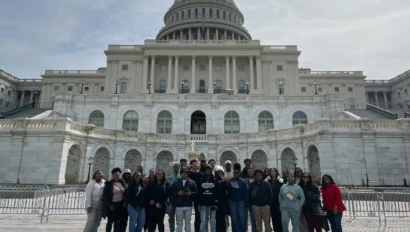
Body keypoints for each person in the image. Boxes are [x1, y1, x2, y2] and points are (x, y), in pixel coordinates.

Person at [103, 167, 127, 232]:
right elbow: (105, 196)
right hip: (112, 205)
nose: (116, 176)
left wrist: (125, 201)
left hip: (120, 205)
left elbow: (125, 193)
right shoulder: (108, 184)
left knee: (117, 222)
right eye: (115, 174)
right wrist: (109, 205)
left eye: (118, 174)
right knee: (110, 222)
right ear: (112, 175)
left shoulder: (122, 183)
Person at [173, 167, 197, 232]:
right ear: (181, 174)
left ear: (188, 174)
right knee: (179, 223)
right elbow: (172, 192)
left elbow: (196, 193)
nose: (184, 174)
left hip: (188, 205)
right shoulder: (176, 182)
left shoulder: (192, 182)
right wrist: (178, 193)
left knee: (188, 223)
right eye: (183, 172)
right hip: (179, 205)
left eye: (186, 172)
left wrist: (190, 193)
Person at [198, 165, 219, 232]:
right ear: (204, 171)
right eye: (206, 170)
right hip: (203, 204)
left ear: (211, 171)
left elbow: (217, 193)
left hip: (212, 204)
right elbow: (199, 193)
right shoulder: (201, 180)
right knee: (204, 221)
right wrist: (199, 204)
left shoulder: (215, 181)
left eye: (209, 169)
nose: (207, 171)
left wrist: (216, 203)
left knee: (213, 221)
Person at [228, 163, 248, 232]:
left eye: (237, 172)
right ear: (233, 173)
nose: (235, 173)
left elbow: (246, 193)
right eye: (234, 172)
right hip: (232, 201)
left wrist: (246, 204)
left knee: (242, 217)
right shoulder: (230, 181)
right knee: (234, 218)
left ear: (239, 173)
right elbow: (228, 191)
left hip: (241, 201)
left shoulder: (243, 182)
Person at [214, 165, 230, 232]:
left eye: (221, 172)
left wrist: (225, 182)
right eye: (218, 172)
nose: (220, 173)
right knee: (216, 218)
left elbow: (229, 189)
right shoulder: (214, 180)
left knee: (223, 218)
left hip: (223, 202)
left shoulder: (225, 180)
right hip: (216, 201)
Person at [190, 159, 204, 232]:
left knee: (198, 215)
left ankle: (197, 229)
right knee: (187, 215)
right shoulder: (188, 173)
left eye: (196, 163)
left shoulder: (201, 174)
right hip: (189, 196)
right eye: (194, 163)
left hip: (198, 196)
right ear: (191, 165)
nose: (195, 165)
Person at [167, 164, 181, 232]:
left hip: (179, 200)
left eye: (177, 168)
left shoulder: (181, 178)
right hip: (171, 200)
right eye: (175, 167)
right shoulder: (169, 178)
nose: (176, 169)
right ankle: (171, 230)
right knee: (171, 217)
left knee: (179, 218)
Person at [245, 168, 257, 232]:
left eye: (251, 171)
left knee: (253, 218)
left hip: (254, 200)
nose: (250, 173)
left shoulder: (256, 179)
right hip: (247, 200)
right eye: (249, 171)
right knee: (245, 217)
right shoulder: (246, 180)